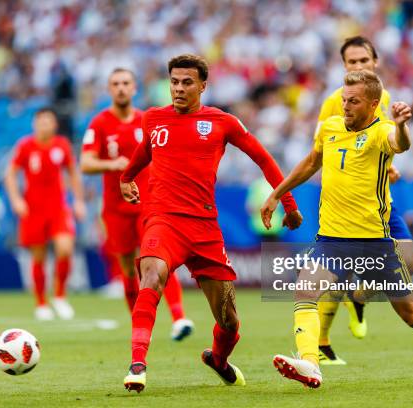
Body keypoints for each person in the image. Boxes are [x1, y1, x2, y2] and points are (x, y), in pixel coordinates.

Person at [261, 70, 413, 388]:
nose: (345, 106)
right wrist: (277, 193)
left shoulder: (382, 131)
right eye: (344, 100)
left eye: (353, 101)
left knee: (412, 315)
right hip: (332, 240)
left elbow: (401, 143)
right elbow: (312, 162)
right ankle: (311, 365)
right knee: (305, 290)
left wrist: (401, 124)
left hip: (375, 244)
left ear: (372, 104)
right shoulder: (330, 128)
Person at [119, 54, 303, 392]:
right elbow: (146, 150)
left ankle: (218, 359)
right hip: (163, 220)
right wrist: (127, 176)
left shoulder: (222, 122)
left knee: (229, 320)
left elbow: (263, 158)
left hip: (204, 229)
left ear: (203, 85)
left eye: (187, 82)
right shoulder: (153, 119)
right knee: (151, 275)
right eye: (174, 81)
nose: (179, 88)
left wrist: (287, 203)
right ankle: (137, 364)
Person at [315, 36, 413, 365]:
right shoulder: (334, 102)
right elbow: (323, 152)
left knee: (409, 263)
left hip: (381, 199)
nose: (358, 66)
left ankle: (358, 299)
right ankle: (322, 342)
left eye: (363, 61)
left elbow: (381, 142)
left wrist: (389, 168)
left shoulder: (383, 97)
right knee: (337, 273)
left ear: (375, 61)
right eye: (351, 62)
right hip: (350, 206)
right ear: (344, 66)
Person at [81, 68, 194, 340]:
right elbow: (85, 163)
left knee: (158, 259)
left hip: (149, 204)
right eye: (115, 83)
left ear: (134, 89)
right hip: (115, 208)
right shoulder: (99, 123)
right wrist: (112, 164)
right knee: (127, 267)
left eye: (126, 83)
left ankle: (179, 317)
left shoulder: (148, 120)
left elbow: (168, 156)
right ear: (109, 89)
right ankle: (140, 327)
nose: (121, 88)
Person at [4, 107, 86, 321]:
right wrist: (16, 199)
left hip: (58, 208)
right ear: (35, 124)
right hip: (33, 209)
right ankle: (41, 302)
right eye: (41, 122)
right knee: (38, 256)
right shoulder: (25, 146)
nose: (44, 126)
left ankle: (59, 296)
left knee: (65, 248)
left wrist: (78, 201)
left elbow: (73, 173)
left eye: (48, 122)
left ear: (54, 125)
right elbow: (10, 174)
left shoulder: (62, 145)